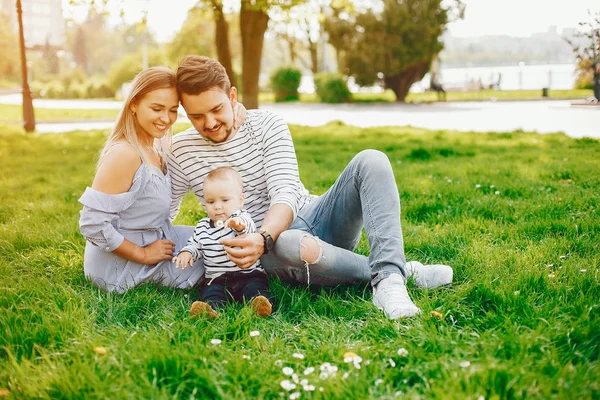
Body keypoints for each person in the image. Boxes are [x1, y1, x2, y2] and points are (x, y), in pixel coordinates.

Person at [167, 55, 453, 320]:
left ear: (232, 96)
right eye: (196, 116)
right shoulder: (181, 149)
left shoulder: (267, 123)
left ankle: (390, 282)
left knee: (372, 161)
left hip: (311, 219)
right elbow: (164, 209)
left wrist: (263, 237)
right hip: (272, 253)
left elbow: (286, 192)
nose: (210, 122)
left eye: (217, 109)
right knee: (292, 243)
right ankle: (397, 270)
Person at [78, 66, 245, 293]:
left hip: (157, 238)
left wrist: (235, 109)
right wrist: (142, 254)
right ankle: (254, 284)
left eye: (173, 110)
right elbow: (92, 224)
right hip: (120, 264)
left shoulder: (157, 145)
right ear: (134, 104)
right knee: (216, 255)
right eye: (156, 108)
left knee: (218, 237)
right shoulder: (125, 154)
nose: (166, 119)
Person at [172, 167, 273, 317]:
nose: (217, 206)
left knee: (255, 288)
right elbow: (195, 245)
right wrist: (187, 252)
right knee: (213, 293)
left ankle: (258, 305)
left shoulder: (242, 218)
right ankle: (211, 310)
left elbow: (247, 229)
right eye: (210, 201)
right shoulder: (203, 226)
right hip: (217, 278)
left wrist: (237, 224)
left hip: (248, 274)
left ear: (240, 200)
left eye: (225, 200)